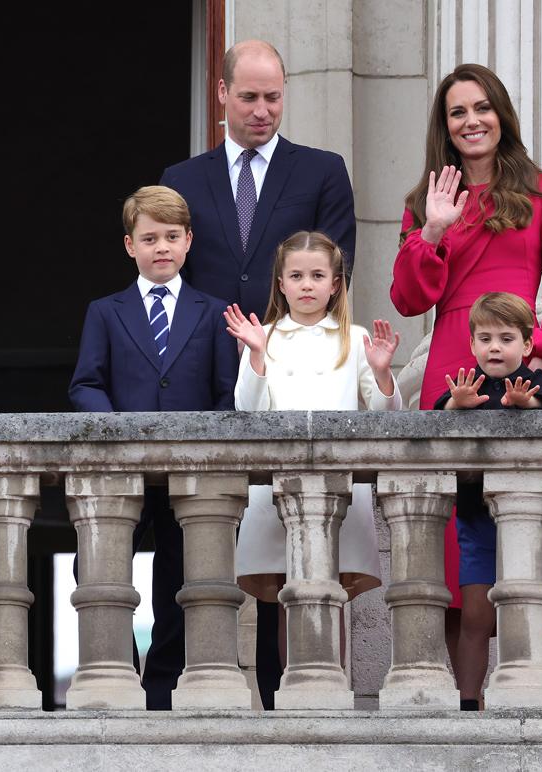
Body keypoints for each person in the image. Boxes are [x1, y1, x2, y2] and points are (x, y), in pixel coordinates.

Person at [159, 38, 356, 708]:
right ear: (221, 95)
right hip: (199, 371)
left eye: (274, 96)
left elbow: (336, 269)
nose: (263, 109)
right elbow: (166, 279)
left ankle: (284, 691)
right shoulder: (181, 180)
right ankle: (170, 689)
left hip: (289, 371)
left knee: (287, 530)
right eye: (249, 97)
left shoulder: (322, 171)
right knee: (185, 526)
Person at [389, 62, 542, 694]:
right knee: (450, 553)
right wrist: (435, 231)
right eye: (457, 112)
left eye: (482, 108)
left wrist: (539, 361)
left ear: (501, 113)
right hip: (450, 369)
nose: (471, 121)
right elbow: (408, 298)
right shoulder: (424, 201)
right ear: (444, 127)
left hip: (518, 372)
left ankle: (523, 688)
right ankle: (459, 697)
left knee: (518, 529)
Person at [68, 185, 237, 709]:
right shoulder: (106, 310)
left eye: (171, 237)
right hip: (121, 468)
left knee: (179, 574)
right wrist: (116, 432)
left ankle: (163, 686)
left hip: (190, 472)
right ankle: (119, 671)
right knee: (99, 568)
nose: (160, 247)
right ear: (129, 246)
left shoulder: (212, 312)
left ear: (188, 242)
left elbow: (224, 392)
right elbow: (85, 383)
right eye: (149, 238)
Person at [224, 230, 398, 676]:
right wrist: (257, 355)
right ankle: (295, 688)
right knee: (289, 594)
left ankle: (333, 686)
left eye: (317, 275)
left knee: (330, 590)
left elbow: (385, 415)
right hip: (278, 486)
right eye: (296, 275)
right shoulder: (262, 335)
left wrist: (381, 374)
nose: (306, 285)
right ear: (280, 283)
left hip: (338, 486)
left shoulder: (354, 338)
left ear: (336, 283)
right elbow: (247, 409)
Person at [433, 292, 542, 710]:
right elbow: (439, 414)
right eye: (485, 338)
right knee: (474, 615)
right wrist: (458, 403)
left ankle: (523, 691)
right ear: (472, 344)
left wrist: (528, 403)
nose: (495, 347)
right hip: (476, 518)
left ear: (526, 345)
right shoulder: (466, 382)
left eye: (506, 338)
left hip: (529, 519)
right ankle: (469, 703)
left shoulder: (533, 381)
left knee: (526, 608)